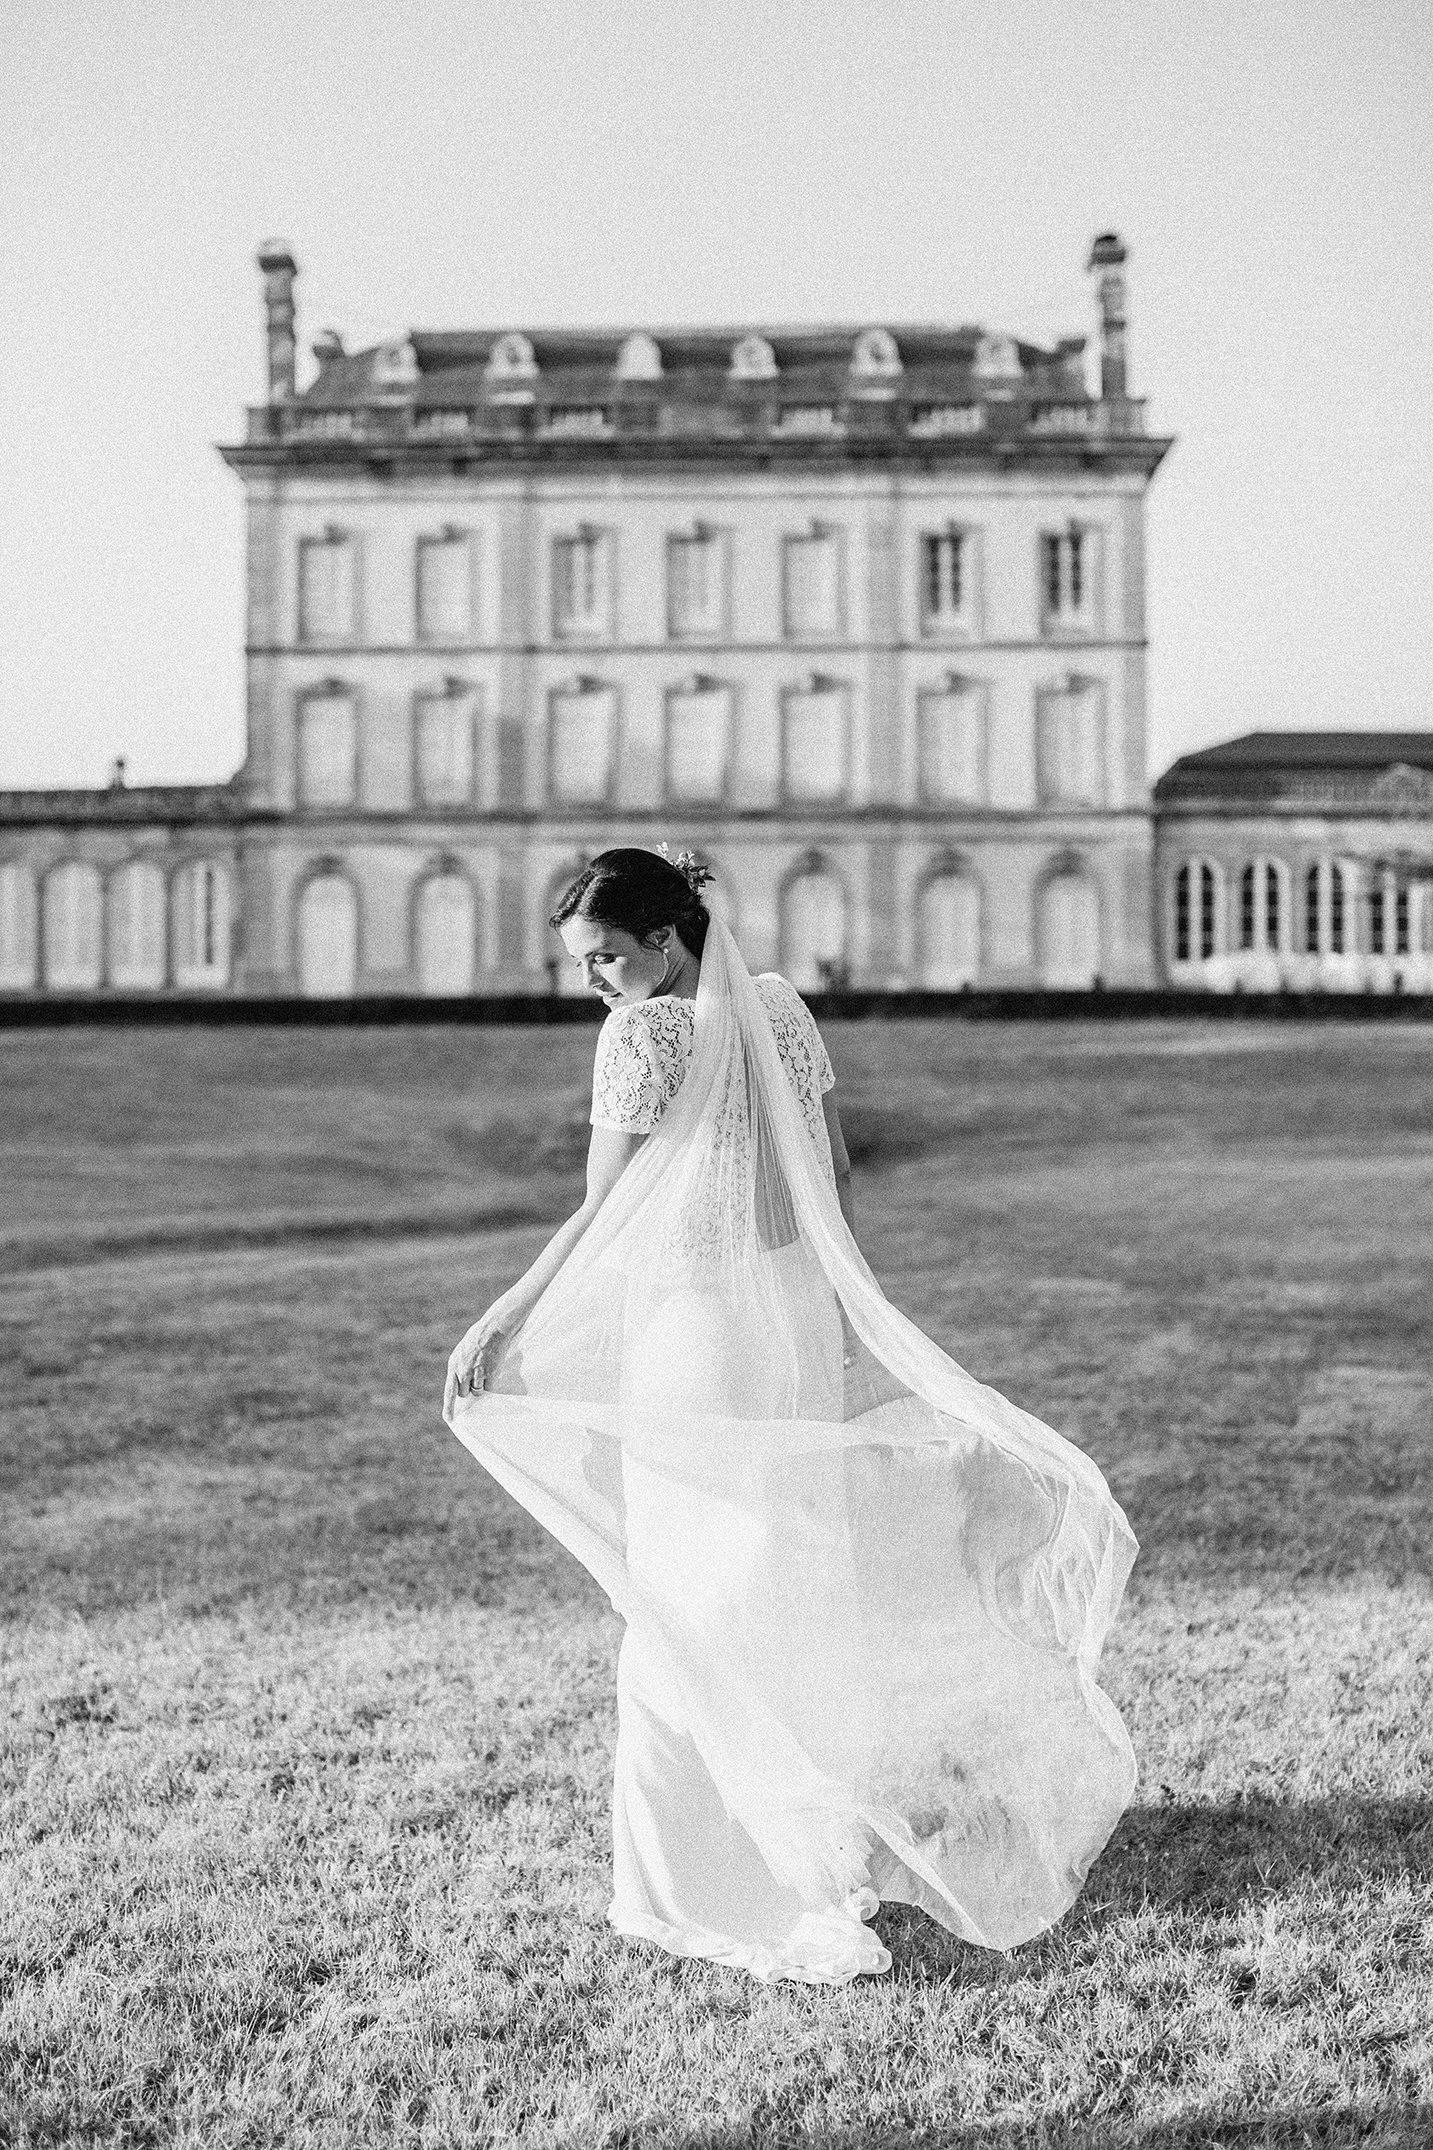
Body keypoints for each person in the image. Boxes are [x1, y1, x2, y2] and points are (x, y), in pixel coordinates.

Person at [445, 846, 1137, 1985]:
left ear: (668, 940)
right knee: (787, 1576)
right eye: (582, 965)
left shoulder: (643, 1037)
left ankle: (707, 1870)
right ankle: (819, 1845)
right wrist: (843, 1307)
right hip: (795, 1315)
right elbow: (836, 1172)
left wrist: (505, 1315)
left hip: (693, 1337)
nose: (596, 982)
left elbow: (600, 1215)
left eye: (607, 957)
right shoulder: (776, 1007)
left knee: (686, 1593)